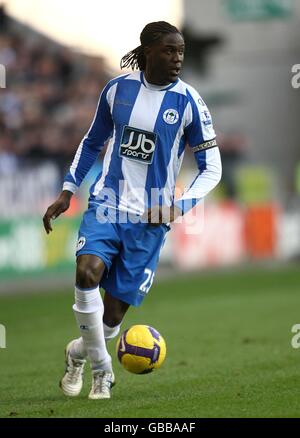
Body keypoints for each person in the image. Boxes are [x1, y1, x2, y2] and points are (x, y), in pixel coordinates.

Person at [43, 21, 222, 400]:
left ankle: (78, 353)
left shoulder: (189, 101)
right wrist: (68, 190)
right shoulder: (116, 90)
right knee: (87, 272)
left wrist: (178, 206)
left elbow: (212, 169)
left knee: (110, 320)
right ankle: (103, 371)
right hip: (108, 203)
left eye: (181, 52)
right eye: (169, 51)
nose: (177, 59)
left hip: (151, 220)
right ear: (148, 51)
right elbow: (92, 142)